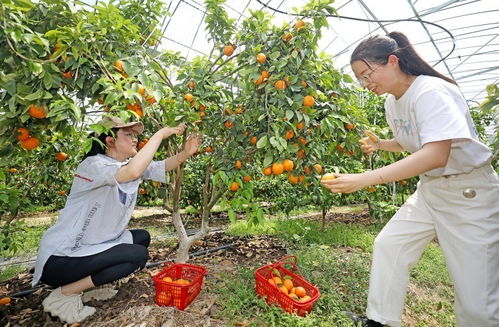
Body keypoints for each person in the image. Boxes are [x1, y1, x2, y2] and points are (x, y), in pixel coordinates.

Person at [321, 31, 498, 327]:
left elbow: (435, 154)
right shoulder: (393, 102)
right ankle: (380, 321)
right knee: (389, 245)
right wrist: (381, 144)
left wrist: (364, 178)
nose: (366, 84)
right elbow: (412, 141)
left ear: (393, 61)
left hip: (469, 194)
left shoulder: (431, 91)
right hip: (431, 190)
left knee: (477, 301)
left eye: (368, 74)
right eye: (360, 79)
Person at [32, 116, 201, 324]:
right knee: (137, 256)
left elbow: (161, 165)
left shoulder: (124, 164)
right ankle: (64, 294)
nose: (135, 139)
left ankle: (90, 288)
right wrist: (160, 134)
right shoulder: (93, 165)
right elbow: (134, 171)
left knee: (141, 238)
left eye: (135, 135)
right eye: (128, 134)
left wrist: (186, 153)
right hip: (61, 258)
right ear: (109, 140)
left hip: (90, 250)